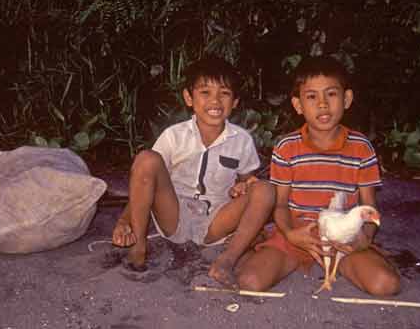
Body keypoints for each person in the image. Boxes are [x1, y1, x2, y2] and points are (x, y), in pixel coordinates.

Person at [234, 56, 401, 295]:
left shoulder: (361, 147)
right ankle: (260, 247)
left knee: (385, 285)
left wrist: (364, 238)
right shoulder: (286, 147)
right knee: (250, 281)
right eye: (312, 96)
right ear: (298, 105)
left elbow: (369, 205)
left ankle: (343, 263)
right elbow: (279, 204)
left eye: (331, 94)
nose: (322, 104)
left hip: (341, 236)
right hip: (297, 234)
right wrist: (291, 234)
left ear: (347, 99)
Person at [111, 55, 274, 286]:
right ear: (189, 97)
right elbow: (144, 180)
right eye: (205, 92)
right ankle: (138, 247)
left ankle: (227, 259)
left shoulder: (242, 140)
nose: (215, 101)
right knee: (146, 159)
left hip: (216, 221)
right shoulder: (173, 135)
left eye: (224, 93)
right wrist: (123, 220)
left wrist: (244, 186)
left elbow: (249, 180)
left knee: (265, 190)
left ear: (235, 101)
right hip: (174, 214)